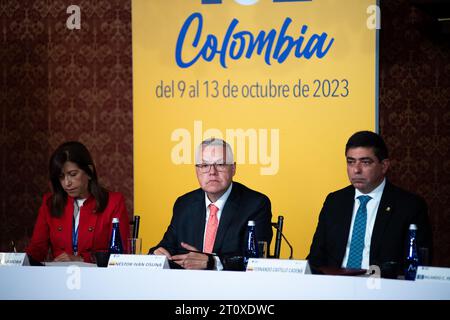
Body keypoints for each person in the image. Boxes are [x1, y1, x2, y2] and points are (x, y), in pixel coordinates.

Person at [307, 131, 432, 272]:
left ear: (384, 166)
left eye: (365, 162)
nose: (356, 170)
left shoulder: (410, 206)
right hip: (335, 286)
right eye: (351, 162)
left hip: (383, 288)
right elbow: (315, 259)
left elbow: (416, 265)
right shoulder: (334, 202)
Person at [149, 138, 273, 270]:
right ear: (197, 170)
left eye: (220, 164)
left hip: (234, 287)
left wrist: (212, 262)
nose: (212, 172)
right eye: (204, 165)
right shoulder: (184, 204)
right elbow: (166, 247)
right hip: (187, 286)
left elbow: (255, 259)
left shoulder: (256, 204)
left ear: (233, 168)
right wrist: (156, 255)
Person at [26, 141, 130, 263]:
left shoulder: (114, 202)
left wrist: (81, 259)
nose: (67, 183)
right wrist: (19, 261)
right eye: (61, 177)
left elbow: (120, 255)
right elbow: (36, 249)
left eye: (73, 174)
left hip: (99, 277)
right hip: (59, 276)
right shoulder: (49, 203)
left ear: (89, 172)